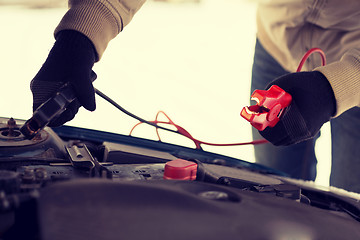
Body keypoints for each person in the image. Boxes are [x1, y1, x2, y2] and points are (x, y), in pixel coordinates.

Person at [30, 1, 360, 192]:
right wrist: (81, 34)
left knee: (350, 202)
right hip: (277, 42)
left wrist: (338, 86)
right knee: (278, 189)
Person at [251, 1, 360, 193]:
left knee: (350, 201)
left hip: (353, 60)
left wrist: (333, 87)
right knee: (274, 187)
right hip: (277, 44)